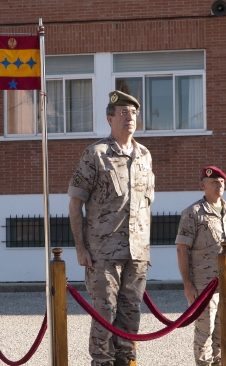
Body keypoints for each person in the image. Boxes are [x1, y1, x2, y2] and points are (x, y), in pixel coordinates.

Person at [68, 90, 155, 366]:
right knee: (105, 316)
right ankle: (102, 363)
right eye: (123, 113)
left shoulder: (144, 156)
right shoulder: (96, 154)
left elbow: (146, 205)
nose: (130, 118)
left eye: (134, 113)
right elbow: (74, 204)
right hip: (102, 255)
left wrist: (144, 249)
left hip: (136, 254)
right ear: (110, 119)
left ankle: (127, 362)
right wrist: (81, 249)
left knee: (131, 318)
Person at [176, 166, 226, 366]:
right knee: (205, 332)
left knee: (224, 332)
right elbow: (181, 250)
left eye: (221, 182)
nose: (219, 185)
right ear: (203, 185)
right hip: (204, 285)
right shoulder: (193, 213)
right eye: (214, 182)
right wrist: (187, 284)